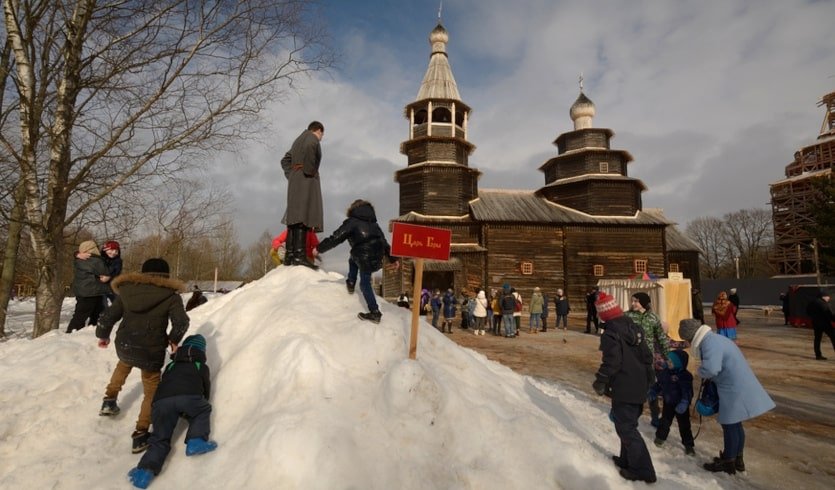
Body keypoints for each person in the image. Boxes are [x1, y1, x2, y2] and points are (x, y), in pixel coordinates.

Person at [96, 258, 190, 454]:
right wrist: (174, 340)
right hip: (151, 348)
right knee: (151, 390)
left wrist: (103, 335)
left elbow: (108, 316)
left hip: (125, 343)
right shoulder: (171, 296)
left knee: (123, 365)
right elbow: (181, 322)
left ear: (142, 273)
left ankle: (109, 400)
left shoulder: (127, 291)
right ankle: (140, 433)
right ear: (166, 276)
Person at [678, 319, 775, 475]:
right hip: (737, 385)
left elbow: (711, 369)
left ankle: (728, 462)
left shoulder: (709, 343)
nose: (688, 342)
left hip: (733, 388)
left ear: (692, 336)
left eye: (687, 339)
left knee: (729, 424)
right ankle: (738, 459)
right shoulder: (714, 338)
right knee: (735, 424)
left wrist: (699, 371)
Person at [127, 335, 217, 489]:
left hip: (161, 402)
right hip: (189, 397)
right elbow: (205, 388)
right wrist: (201, 401)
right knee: (202, 411)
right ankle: (196, 441)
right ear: (202, 351)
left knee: (160, 437)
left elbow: (166, 383)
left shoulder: (170, 366)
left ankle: (144, 472)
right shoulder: (200, 365)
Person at [592, 291, 657, 484]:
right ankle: (627, 460)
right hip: (639, 384)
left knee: (626, 428)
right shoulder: (633, 326)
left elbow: (612, 360)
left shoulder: (611, 332)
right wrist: (650, 376)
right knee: (626, 424)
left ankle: (643, 470)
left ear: (603, 314)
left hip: (625, 385)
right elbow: (647, 355)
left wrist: (601, 379)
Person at [315, 199, 398, 324]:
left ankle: (374, 312)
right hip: (376, 258)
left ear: (353, 209)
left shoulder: (352, 222)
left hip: (363, 257)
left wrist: (319, 249)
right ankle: (351, 281)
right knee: (353, 258)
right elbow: (385, 243)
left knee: (365, 283)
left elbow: (336, 238)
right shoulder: (375, 225)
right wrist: (393, 259)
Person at [280, 121, 325, 269]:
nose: (321, 138)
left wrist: (291, 174)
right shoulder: (311, 138)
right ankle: (299, 256)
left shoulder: (297, 140)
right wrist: (309, 171)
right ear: (318, 130)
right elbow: (310, 146)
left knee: (294, 217)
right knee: (303, 216)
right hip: (306, 181)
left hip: (295, 180)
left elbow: (285, 159)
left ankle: (290, 255)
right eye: (322, 134)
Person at [626, 292, 670, 428]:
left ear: (643, 303)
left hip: (647, 360)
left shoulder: (653, 317)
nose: (633, 304)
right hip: (631, 359)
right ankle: (629, 415)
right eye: (632, 301)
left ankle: (655, 416)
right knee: (631, 388)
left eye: (636, 301)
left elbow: (662, 338)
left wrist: (668, 357)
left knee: (651, 389)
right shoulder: (627, 316)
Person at [653, 349, 695, 456]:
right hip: (668, 403)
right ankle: (660, 437)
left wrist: (685, 402)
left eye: (671, 361)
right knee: (665, 421)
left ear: (679, 363)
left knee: (684, 425)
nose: (668, 363)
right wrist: (653, 391)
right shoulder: (665, 373)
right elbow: (660, 384)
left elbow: (687, 391)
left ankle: (688, 445)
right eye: (668, 361)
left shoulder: (685, 376)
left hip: (681, 405)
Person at [67, 240, 111, 333]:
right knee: (90, 315)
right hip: (92, 291)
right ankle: (72, 333)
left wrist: (76, 254)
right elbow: (105, 273)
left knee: (82, 314)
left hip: (82, 291)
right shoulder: (96, 260)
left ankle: (79, 332)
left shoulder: (78, 260)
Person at [805, 289, 835, 360]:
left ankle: (818, 355)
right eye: (828, 297)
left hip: (815, 323)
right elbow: (828, 315)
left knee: (817, 339)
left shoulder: (811, 303)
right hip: (825, 324)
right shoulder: (823, 303)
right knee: (834, 337)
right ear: (823, 297)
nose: (829, 298)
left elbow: (807, 312)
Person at [101, 240, 123, 307]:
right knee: (102, 306)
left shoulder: (118, 261)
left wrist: (109, 277)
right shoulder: (100, 259)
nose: (114, 253)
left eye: (116, 251)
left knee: (117, 304)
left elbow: (116, 272)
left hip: (112, 286)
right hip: (100, 287)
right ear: (105, 250)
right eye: (112, 250)